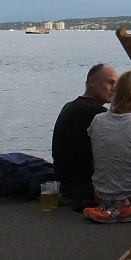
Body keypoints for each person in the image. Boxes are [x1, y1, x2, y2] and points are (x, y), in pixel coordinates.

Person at [83, 70, 131, 224]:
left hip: (99, 193)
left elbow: (97, 159)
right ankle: (124, 207)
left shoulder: (98, 120)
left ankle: (109, 206)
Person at [52, 63, 117, 208]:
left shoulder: (69, 106)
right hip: (83, 188)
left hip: (64, 183)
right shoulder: (98, 115)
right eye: (110, 82)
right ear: (92, 82)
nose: (115, 88)